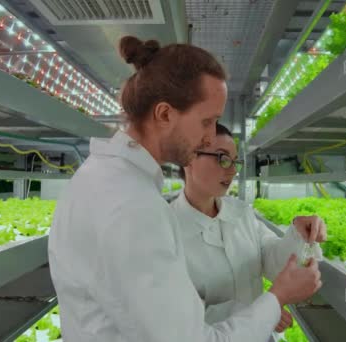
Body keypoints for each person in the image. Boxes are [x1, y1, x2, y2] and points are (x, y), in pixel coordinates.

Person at [48, 35, 322, 342]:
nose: (209, 137)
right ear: (164, 114)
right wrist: (277, 297)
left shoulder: (104, 179)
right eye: (207, 121)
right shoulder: (134, 205)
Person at [171, 123, 327, 334]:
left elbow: (270, 257)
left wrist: (297, 234)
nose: (233, 170)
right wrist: (263, 311)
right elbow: (179, 318)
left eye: (236, 161)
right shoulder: (167, 228)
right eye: (222, 158)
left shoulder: (240, 212)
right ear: (188, 159)